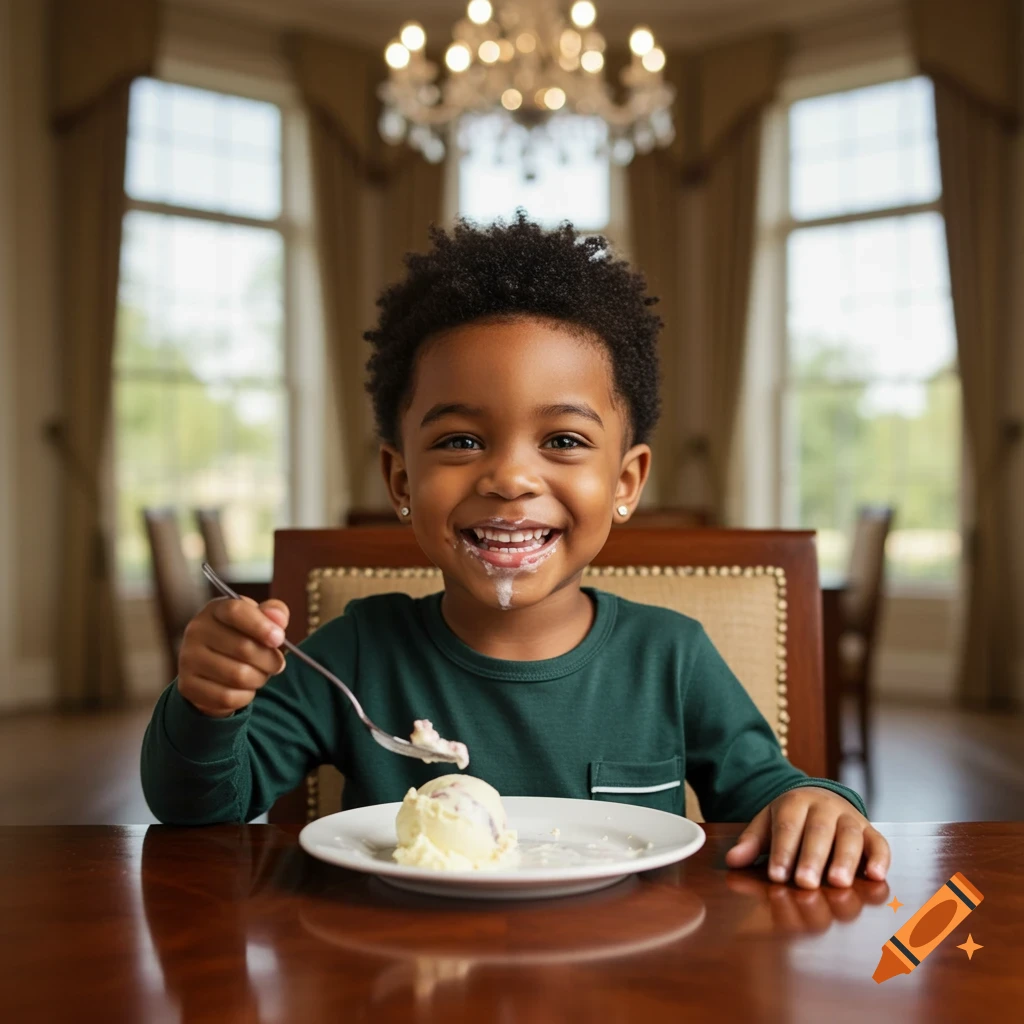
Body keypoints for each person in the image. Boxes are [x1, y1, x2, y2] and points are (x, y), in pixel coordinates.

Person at [141, 213, 890, 890]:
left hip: (632, 977)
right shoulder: (353, 657)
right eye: (461, 440)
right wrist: (209, 702)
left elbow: (773, 793)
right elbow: (201, 812)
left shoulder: (673, 658)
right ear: (402, 479)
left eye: (563, 441)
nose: (509, 478)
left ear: (625, 482)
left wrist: (819, 805)